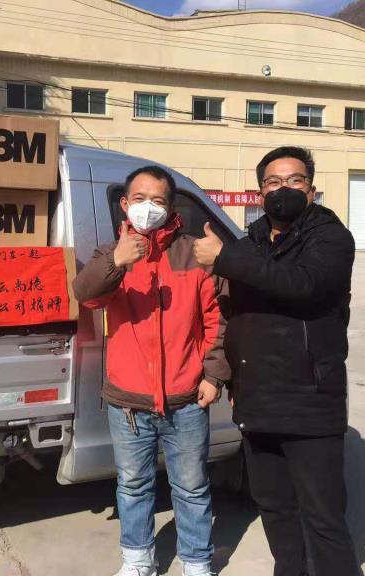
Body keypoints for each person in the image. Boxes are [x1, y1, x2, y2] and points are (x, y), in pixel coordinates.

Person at [193, 146, 360, 576]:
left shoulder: (331, 239)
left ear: (312, 190)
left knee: (323, 517)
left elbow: (303, 285)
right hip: (258, 401)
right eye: (273, 182)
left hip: (311, 400)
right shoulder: (250, 242)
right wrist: (235, 381)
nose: (284, 188)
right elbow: (237, 318)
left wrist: (225, 259)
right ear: (260, 193)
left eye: (295, 180)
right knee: (274, 508)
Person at [73, 166, 230, 576]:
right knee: (133, 486)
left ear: (171, 208)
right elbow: (85, 295)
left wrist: (213, 375)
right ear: (125, 204)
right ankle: (138, 559)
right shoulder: (110, 254)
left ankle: (196, 561)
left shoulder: (194, 255)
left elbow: (217, 320)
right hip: (129, 403)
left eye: (157, 200)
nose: (148, 208)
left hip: (187, 399)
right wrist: (117, 262)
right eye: (139, 199)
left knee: (191, 487)